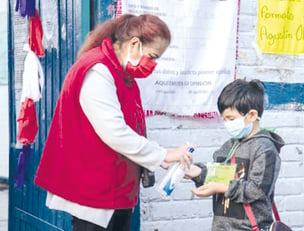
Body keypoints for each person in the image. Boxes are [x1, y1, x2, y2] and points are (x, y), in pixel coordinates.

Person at [34, 14, 194, 231]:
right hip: (95, 194)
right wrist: (163, 155)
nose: (153, 64)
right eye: (153, 56)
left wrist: (161, 157)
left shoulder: (120, 73)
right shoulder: (97, 71)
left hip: (113, 190)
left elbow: (131, 128)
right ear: (135, 43)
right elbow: (115, 132)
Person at [186, 79, 285, 231]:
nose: (227, 124)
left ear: (251, 115)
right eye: (224, 119)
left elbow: (257, 190)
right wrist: (197, 172)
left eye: (231, 119)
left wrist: (219, 187)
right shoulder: (228, 146)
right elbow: (217, 174)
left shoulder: (265, 149)